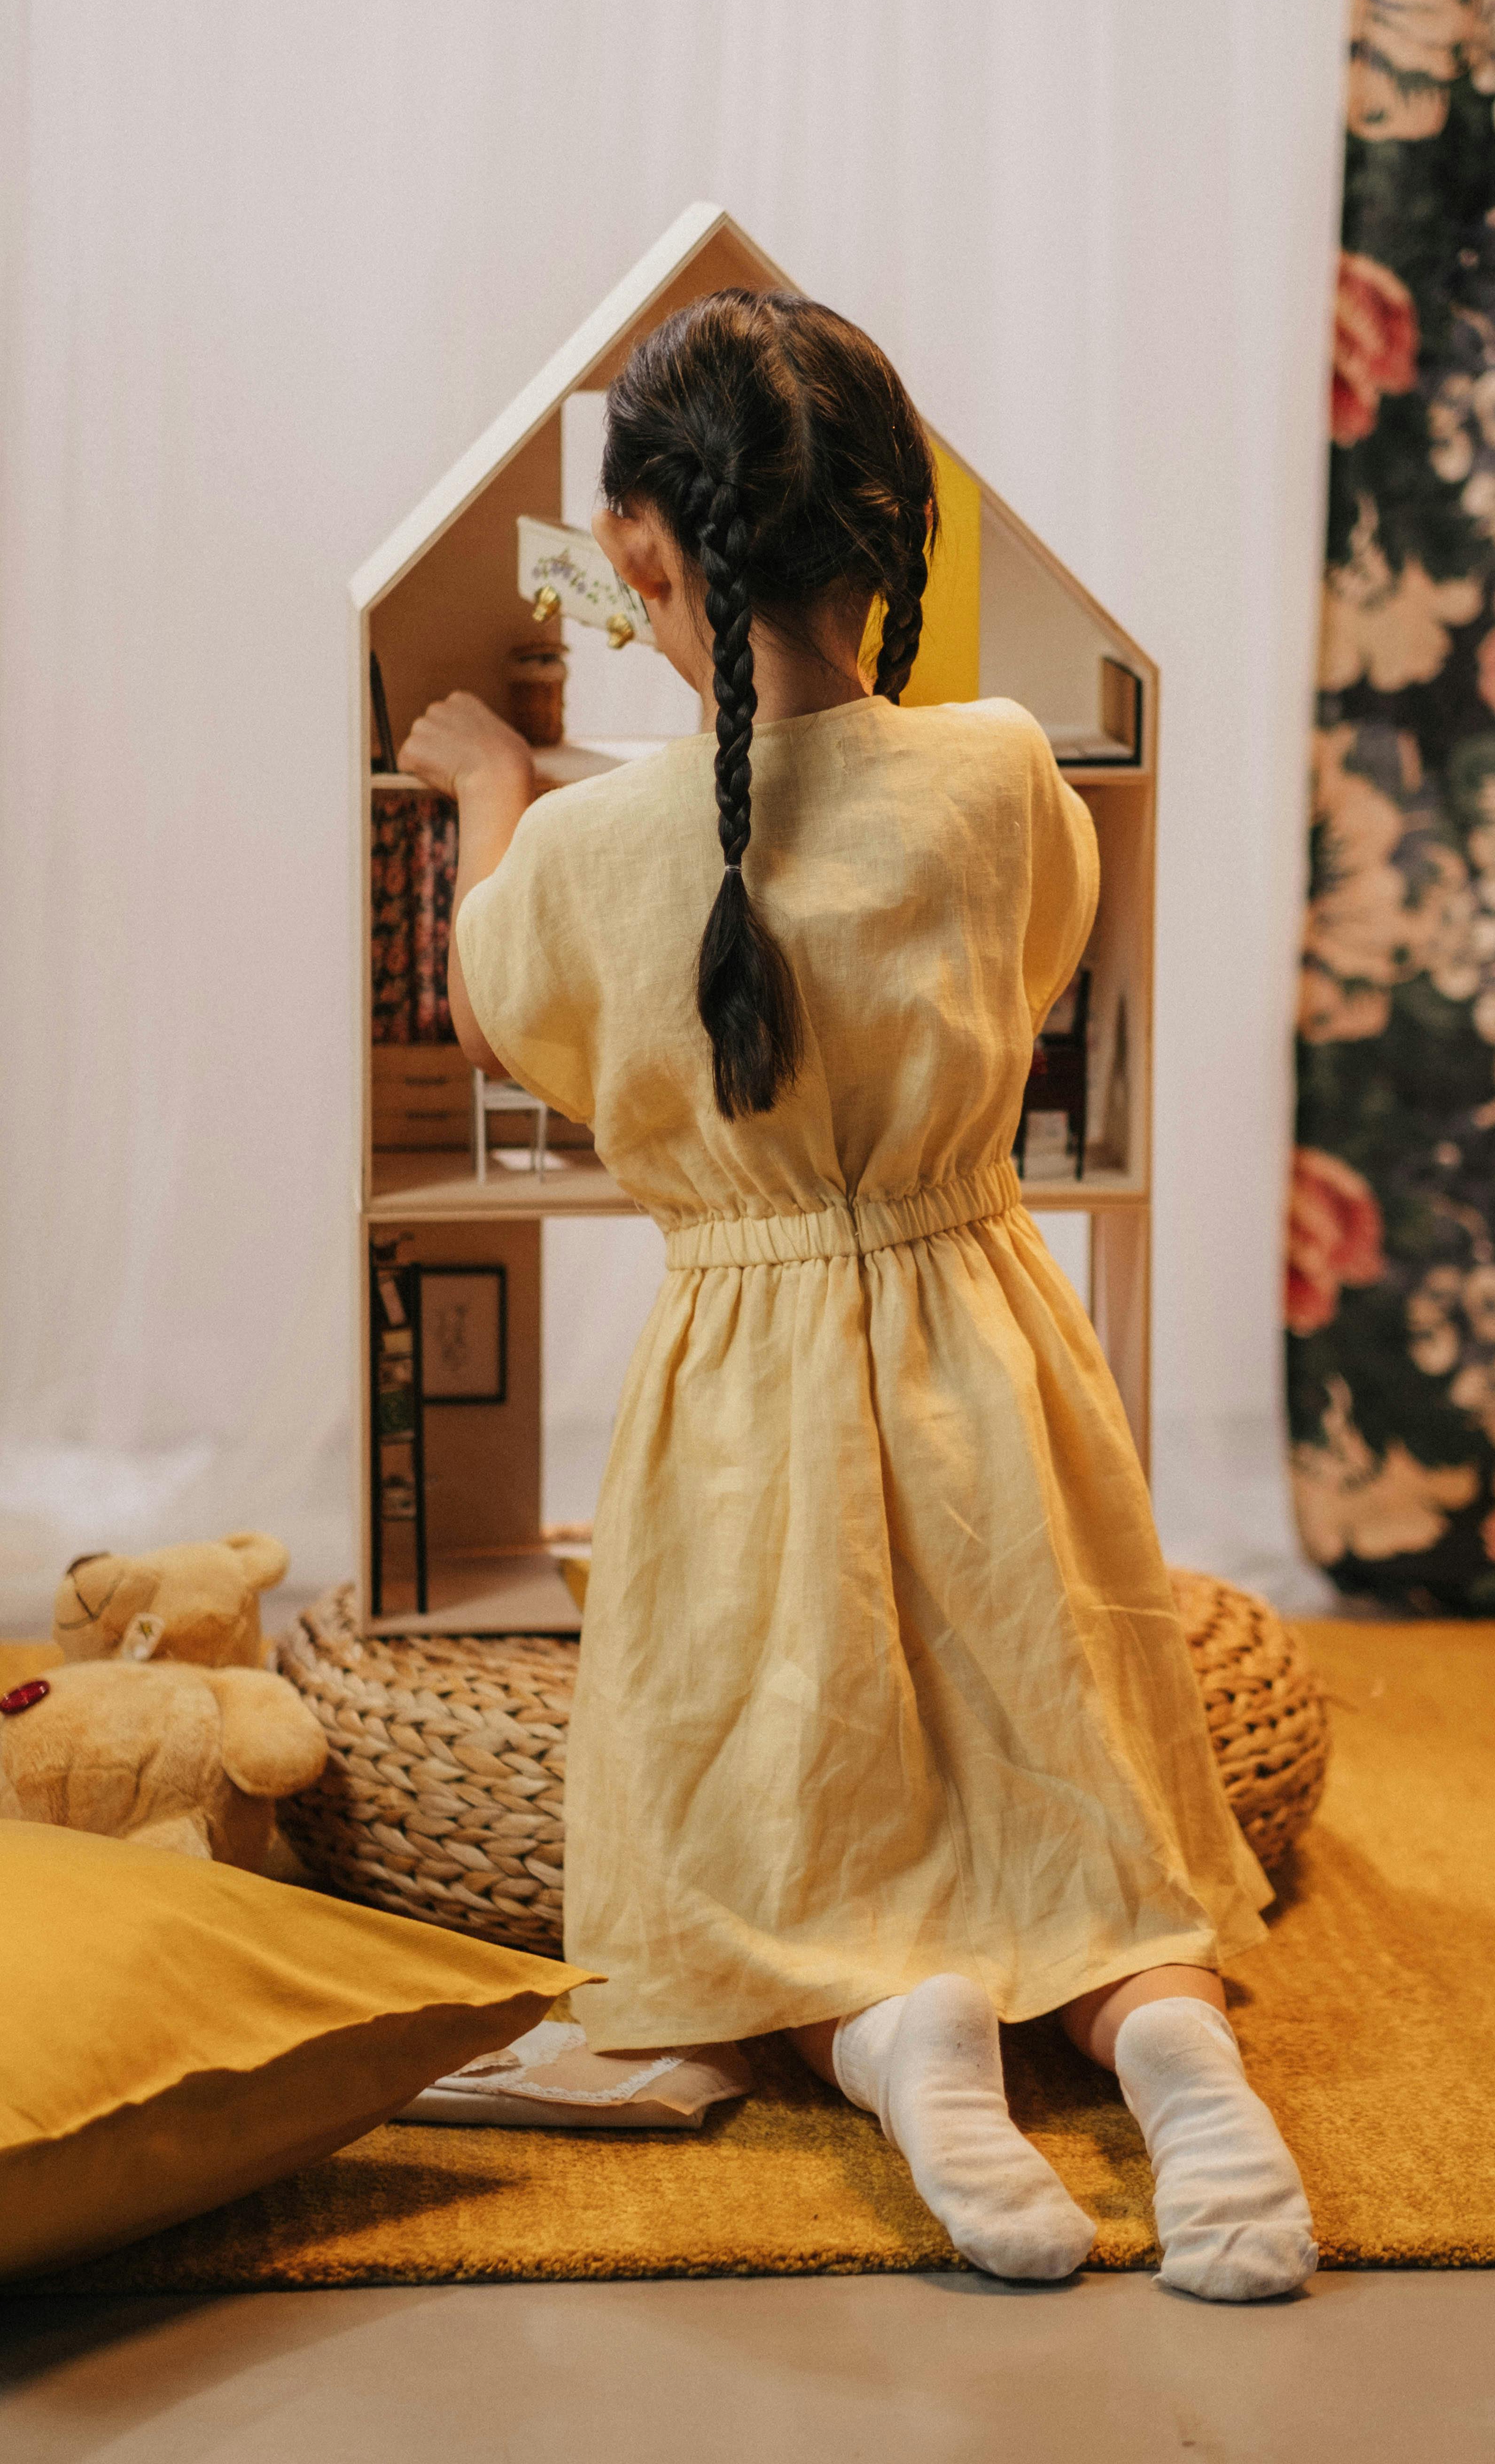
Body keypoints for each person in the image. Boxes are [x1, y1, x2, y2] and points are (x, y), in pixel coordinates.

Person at [399, 288, 1315, 2300]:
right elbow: (1049, 936)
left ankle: (887, 2041)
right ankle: (1165, 2040)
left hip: (745, 1392)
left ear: (641, 553)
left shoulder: (586, 857)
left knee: (758, 1811)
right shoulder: (999, 775)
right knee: (1065, 1762)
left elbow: (496, 1006)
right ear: (889, 534)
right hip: (989, 1346)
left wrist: (486, 787)